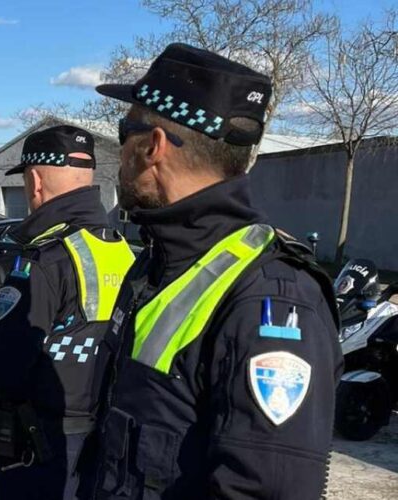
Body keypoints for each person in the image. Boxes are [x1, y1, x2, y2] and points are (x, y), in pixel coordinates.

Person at [81, 43, 342, 499]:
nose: (120, 149)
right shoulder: (155, 264)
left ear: (153, 146)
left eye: (125, 130)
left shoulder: (273, 301)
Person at [0, 125, 135, 499]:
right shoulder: (120, 249)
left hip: (39, 447)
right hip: (101, 439)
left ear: (35, 181)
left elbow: (3, 370)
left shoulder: (43, 259)